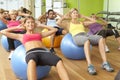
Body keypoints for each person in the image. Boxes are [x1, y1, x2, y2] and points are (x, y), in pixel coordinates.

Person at [0, 16, 69, 80]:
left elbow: (54, 30)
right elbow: (2, 31)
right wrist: (17, 28)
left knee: (58, 61)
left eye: (32, 22)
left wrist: (41, 25)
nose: (30, 24)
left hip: (43, 52)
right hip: (31, 53)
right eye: (28, 22)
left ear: (35, 24)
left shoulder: (39, 34)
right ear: (24, 24)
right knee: (31, 62)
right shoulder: (21, 36)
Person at [57, 8, 114, 75]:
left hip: (85, 35)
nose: (76, 14)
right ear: (70, 15)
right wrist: (64, 17)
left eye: (76, 13)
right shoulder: (68, 24)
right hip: (77, 37)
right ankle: (90, 65)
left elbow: (94, 21)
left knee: (100, 38)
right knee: (86, 41)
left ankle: (105, 63)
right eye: (74, 13)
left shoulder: (82, 23)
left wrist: (83, 16)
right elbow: (58, 23)